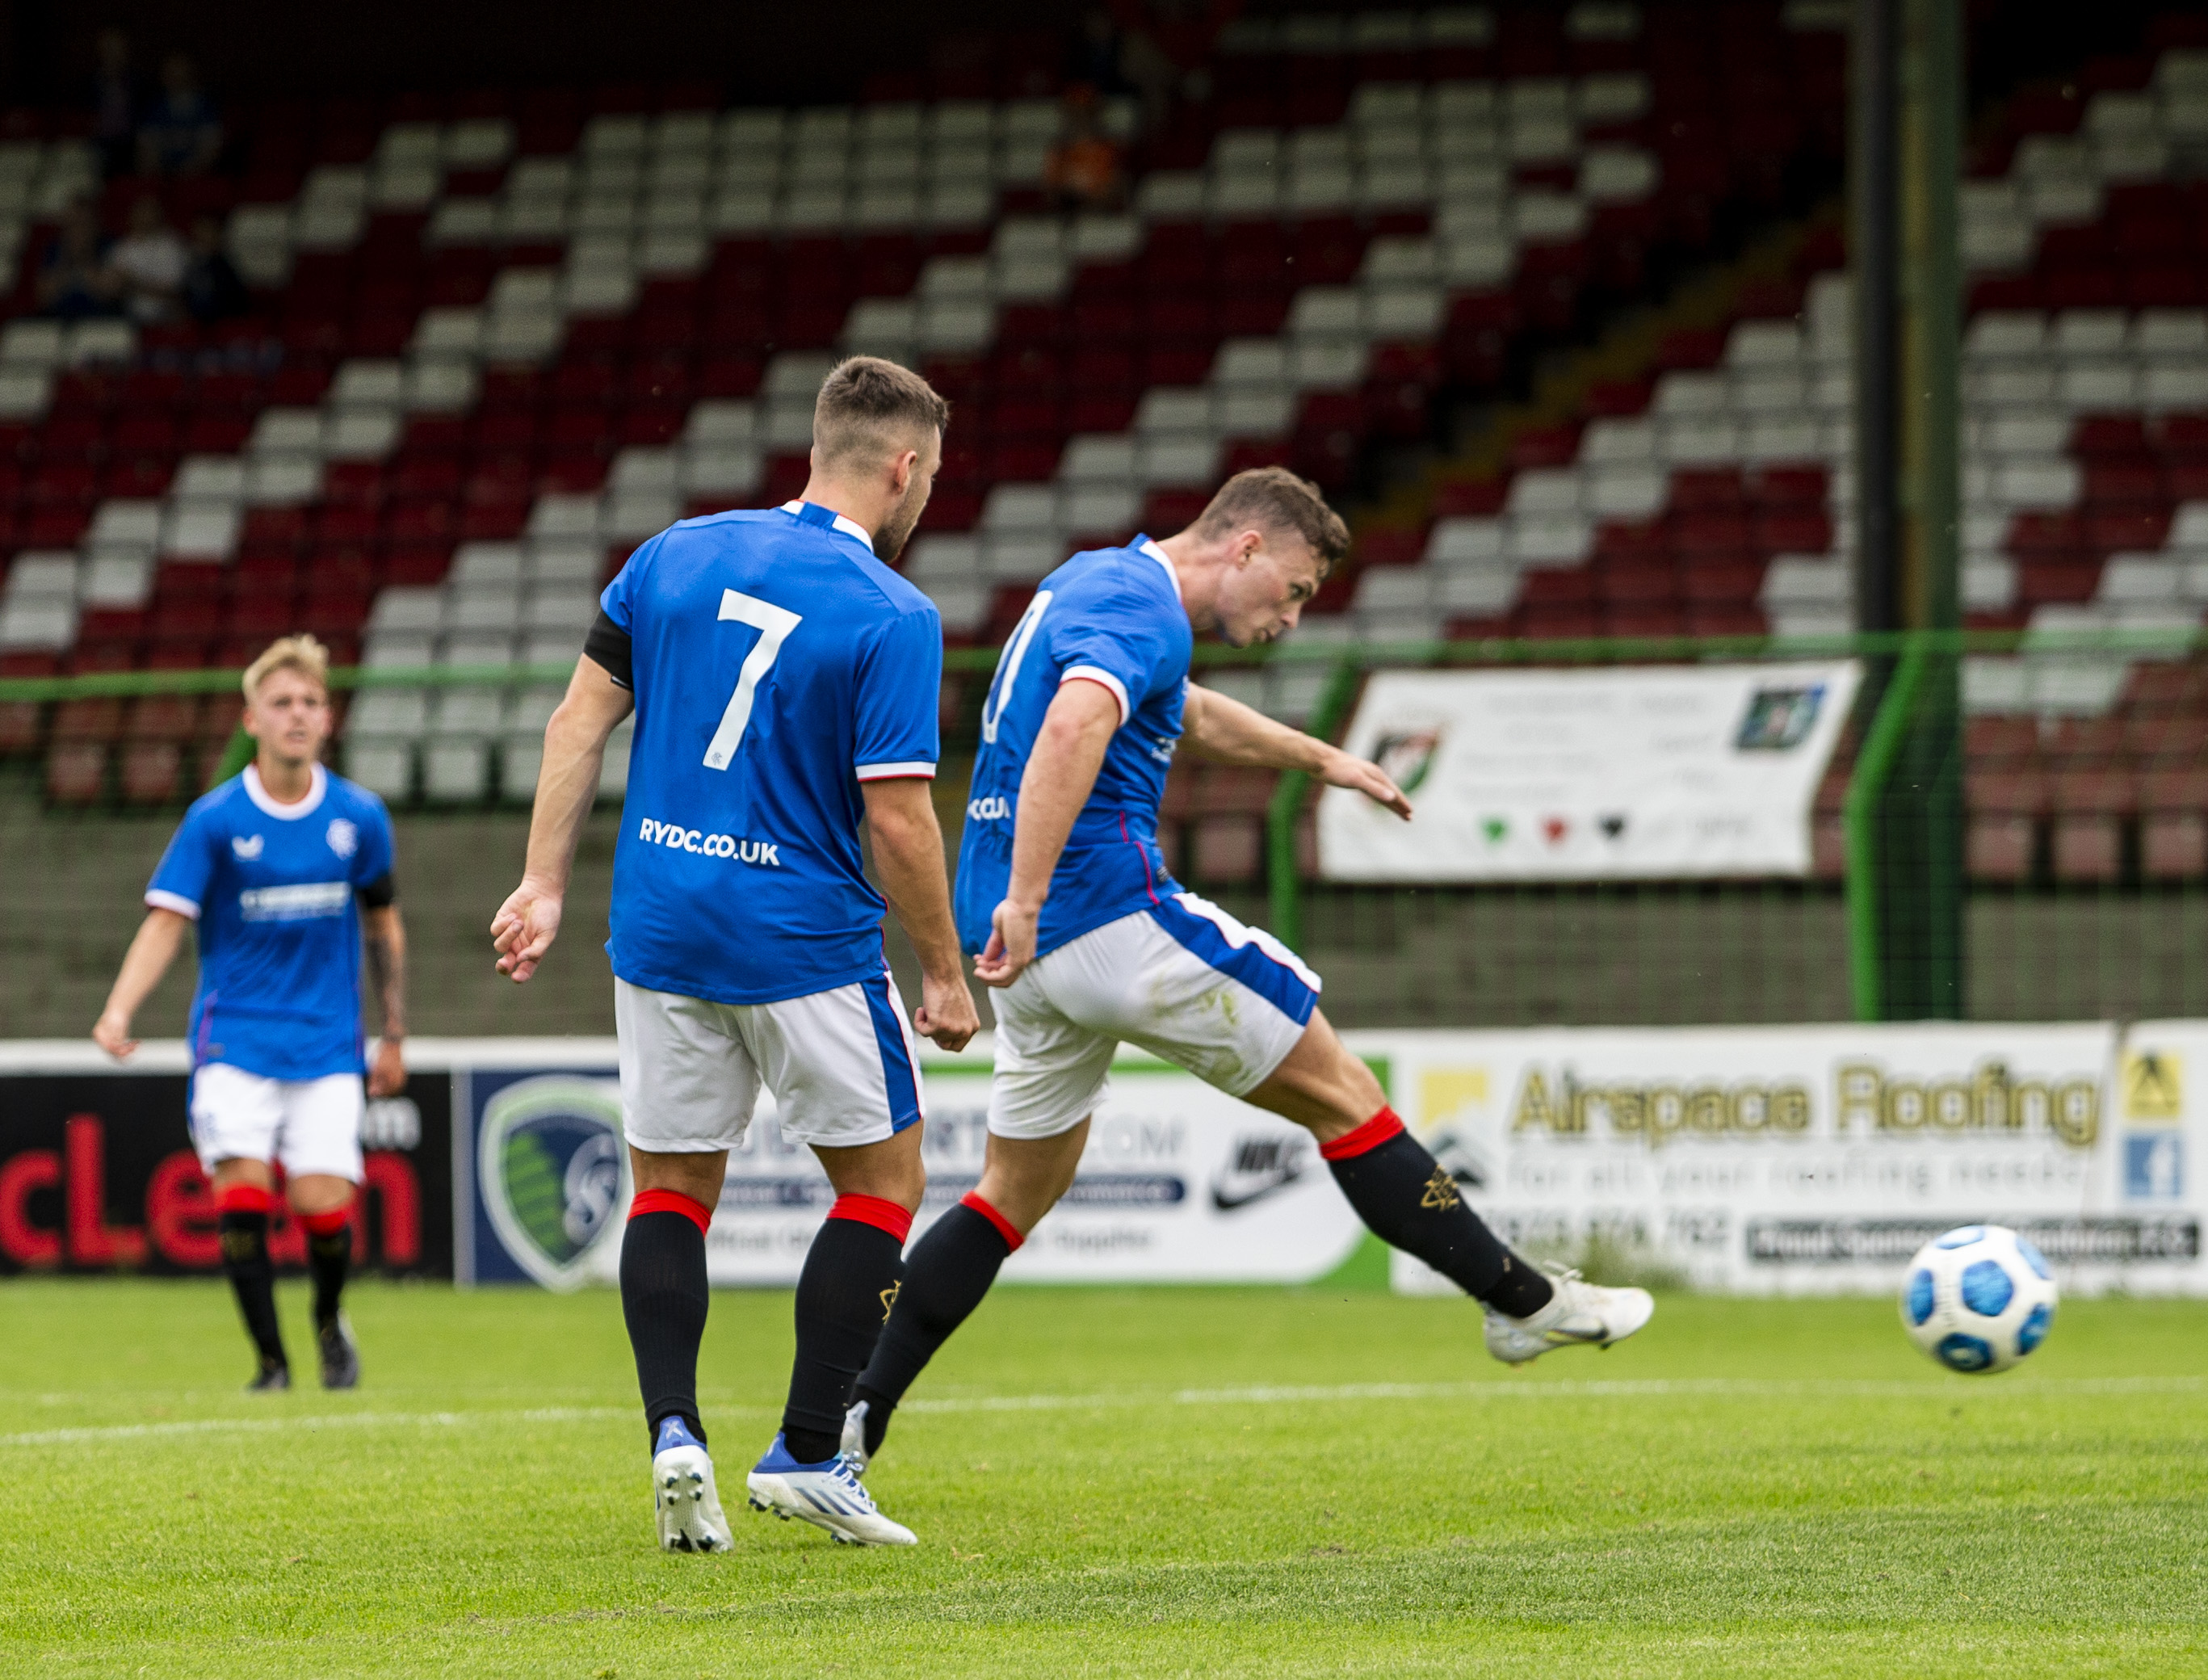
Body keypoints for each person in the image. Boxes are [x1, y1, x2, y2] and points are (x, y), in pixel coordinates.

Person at [841, 468, 1657, 1477]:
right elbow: (1074, 727)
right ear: (1247, 549)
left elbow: (1172, 709)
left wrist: (1323, 760)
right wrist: (1034, 893)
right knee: (1346, 1096)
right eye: (1297, 589)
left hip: (1026, 951)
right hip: (1101, 913)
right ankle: (1522, 1302)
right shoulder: (1143, 607)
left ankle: (849, 1420)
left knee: (1010, 1191)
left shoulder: (1098, 585)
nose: (1290, 616)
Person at [490, 355, 979, 1554]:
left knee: (669, 1188)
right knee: (882, 1185)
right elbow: (900, 815)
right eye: (929, 480)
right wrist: (943, 969)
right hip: (798, 940)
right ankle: (810, 1451)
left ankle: (674, 1435)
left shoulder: (672, 554)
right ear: (903, 468)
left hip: (657, 924)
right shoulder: (892, 614)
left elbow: (575, 722)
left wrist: (542, 882)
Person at [93, 636, 408, 1392]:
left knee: (320, 1206)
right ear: (253, 720)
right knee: (240, 1193)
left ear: (327, 719)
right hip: (233, 1038)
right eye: (281, 704)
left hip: (329, 1044)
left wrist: (394, 1033)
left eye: (309, 703)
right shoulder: (215, 819)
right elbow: (167, 919)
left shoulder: (359, 817)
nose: (297, 715)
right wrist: (118, 1009)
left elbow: (384, 924)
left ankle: (329, 1321)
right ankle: (271, 1365)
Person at [137, 51, 222, 178]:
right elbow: (146, 148)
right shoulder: (155, 107)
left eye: (179, 70)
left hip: (195, 178)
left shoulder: (205, 106)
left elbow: (210, 149)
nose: (174, 76)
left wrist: (188, 171)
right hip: (162, 176)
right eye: (170, 71)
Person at [106, 195, 189, 323]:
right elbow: (112, 288)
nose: (145, 217)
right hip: (128, 316)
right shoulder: (122, 248)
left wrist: (132, 283)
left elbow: (173, 292)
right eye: (141, 212)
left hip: (165, 317)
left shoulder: (171, 246)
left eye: (149, 212)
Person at [37, 197, 120, 320]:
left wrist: (86, 257)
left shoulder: (110, 247)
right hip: (59, 318)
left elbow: (110, 293)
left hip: (101, 319)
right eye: (73, 224)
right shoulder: (56, 249)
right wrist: (65, 261)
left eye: (84, 224)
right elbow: (44, 297)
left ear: (95, 224)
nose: (78, 231)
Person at [180, 211, 250, 322]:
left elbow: (233, 305)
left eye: (209, 229)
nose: (203, 234)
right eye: (200, 229)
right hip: (190, 323)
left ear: (219, 234)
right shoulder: (186, 260)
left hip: (219, 325)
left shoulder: (224, 268)